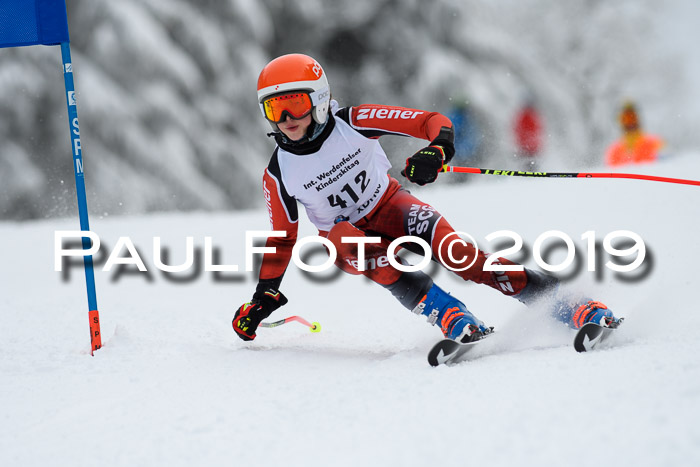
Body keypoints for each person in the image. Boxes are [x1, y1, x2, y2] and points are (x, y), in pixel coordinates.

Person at [232, 53, 620, 344]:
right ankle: (448, 312)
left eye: (294, 104)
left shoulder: (354, 122)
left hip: (392, 208)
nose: (285, 118)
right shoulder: (279, 172)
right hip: (348, 240)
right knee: (347, 241)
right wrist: (264, 294)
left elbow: (432, 121)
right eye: (274, 108)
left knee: (460, 256)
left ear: (317, 99)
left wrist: (437, 150)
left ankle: (567, 304)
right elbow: (283, 239)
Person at [606, 101, 663, 167]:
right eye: (626, 119)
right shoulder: (614, 152)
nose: (630, 123)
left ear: (638, 119)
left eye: (632, 118)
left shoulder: (654, 143)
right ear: (621, 121)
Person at [513, 98, 543, 170]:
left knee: (529, 162)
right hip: (527, 146)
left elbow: (538, 129)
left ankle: (530, 171)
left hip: (530, 146)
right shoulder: (527, 115)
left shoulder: (532, 115)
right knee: (528, 162)